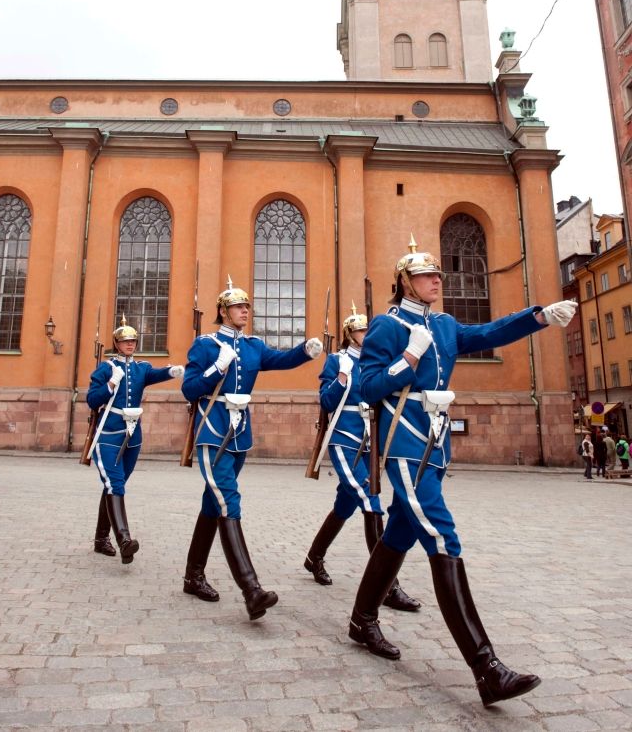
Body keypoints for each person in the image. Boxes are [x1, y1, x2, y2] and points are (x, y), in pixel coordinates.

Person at [348, 239, 577, 708]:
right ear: (406, 282)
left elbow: (488, 334)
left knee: (398, 535)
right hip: (405, 444)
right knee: (441, 535)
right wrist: (406, 360)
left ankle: (361, 618)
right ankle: (486, 667)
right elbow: (367, 388)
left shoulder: (446, 324)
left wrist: (539, 317)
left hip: (433, 445)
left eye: (438, 275)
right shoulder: (387, 327)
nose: (438, 280)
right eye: (428, 275)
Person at [181, 279, 323, 621]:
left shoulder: (253, 346)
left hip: (239, 435)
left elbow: (281, 359)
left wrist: (306, 351)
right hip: (212, 432)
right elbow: (189, 389)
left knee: (212, 503)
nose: (245, 311)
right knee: (228, 500)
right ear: (223, 312)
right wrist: (217, 367)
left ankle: (192, 576)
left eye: (247, 307)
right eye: (238, 307)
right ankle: (251, 590)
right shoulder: (205, 345)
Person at [304, 306, 418, 612]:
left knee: (345, 504)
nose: (366, 336)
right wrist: (341, 377)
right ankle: (389, 587)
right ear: (348, 335)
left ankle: (314, 557)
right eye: (360, 332)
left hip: (371, 439)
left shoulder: (376, 360)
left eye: (369, 331)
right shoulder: (337, 360)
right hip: (344, 438)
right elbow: (326, 401)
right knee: (371, 499)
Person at [87, 319, 184, 564]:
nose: (129, 344)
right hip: (109, 434)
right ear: (116, 344)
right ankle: (124, 541)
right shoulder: (106, 368)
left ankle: (100, 539)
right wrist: (111, 383)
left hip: (132, 435)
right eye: (125, 341)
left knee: (113, 485)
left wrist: (172, 371)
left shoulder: (141, 368)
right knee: (115, 485)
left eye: (132, 341)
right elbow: (92, 400)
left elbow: (154, 374)